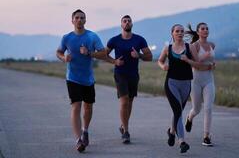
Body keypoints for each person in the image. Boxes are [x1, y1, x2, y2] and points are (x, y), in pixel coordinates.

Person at [56, 9, 106, 152]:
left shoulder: (92, 36)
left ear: (85, 20)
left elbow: (103, 53)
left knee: (88, 107)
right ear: (72, 21)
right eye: (76, 18)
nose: (79, 20)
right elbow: (58, 52)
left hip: (88, 79)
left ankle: (85, 130)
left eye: (82, 18)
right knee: (76, 106)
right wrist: (63, 58)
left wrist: (89, 53)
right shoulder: (67, 38)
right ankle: (78, 140)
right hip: (72, 78)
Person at [105, 15, 153, 144]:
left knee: (130, 101)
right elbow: (103, 55)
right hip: (120, 73)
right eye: (124, 21)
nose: (127, 23)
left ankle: (123, 125)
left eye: (129, 21)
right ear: (121, 24)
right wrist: (114, 61)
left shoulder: (139, 40)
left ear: (132, 24)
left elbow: (150, 57)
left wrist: (139, 55)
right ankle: (126, 131)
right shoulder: (114, 40)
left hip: (133, 74)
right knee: (124, 101)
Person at [157, 24, 202, 153]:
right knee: (177, 111)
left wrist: (187, 60)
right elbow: (159, 61)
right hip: (171, 83)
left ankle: (171, 131)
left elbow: (198, 64)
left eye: (182, 31)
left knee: (178, 112)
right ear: (172, 33)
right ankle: (181, 141)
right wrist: (163, 66)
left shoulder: (190, 47)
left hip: (186, 83)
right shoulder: (168, 48)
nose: (180, 33)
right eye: (177, 31)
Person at [185, 22, 216, 146]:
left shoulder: (212, 45)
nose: (205, 30)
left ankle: (206, 136)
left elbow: (211, 61)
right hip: (196, 80)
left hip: (209, 80)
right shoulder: (194, 46)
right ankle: (189, 118)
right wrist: (206, 57)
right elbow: (196, 62)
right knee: (197, 109)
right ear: (198, 32)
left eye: (207, 28)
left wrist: (213, 64)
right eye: (203, 29)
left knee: (208, 108)